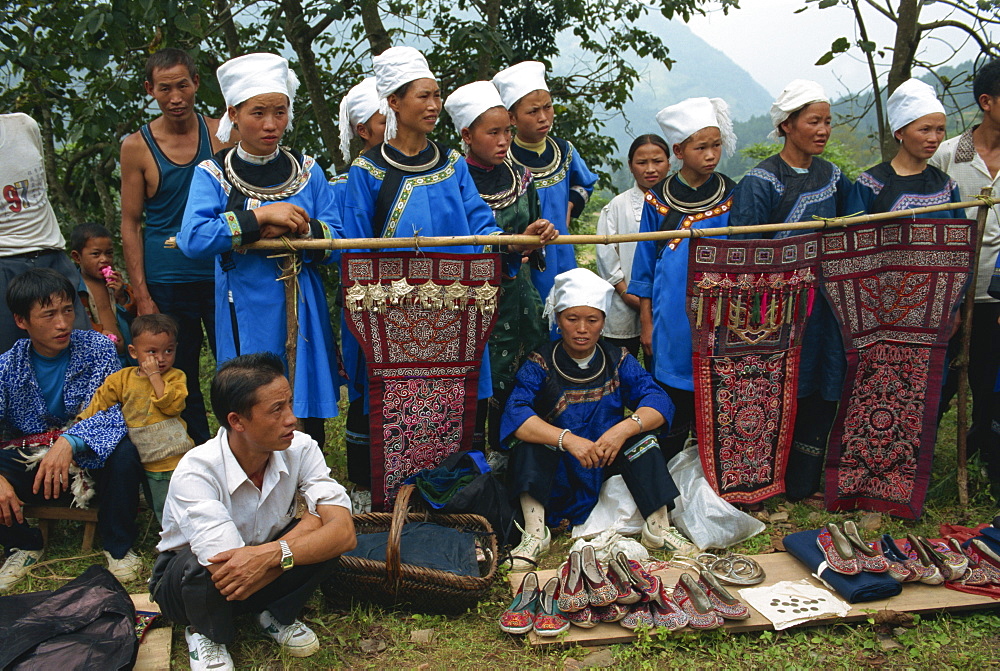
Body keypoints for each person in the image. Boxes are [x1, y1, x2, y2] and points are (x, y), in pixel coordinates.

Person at [340, 47, 556, 507]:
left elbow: (479, 225)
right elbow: (355, 248)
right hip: (391, 312)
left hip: (453, 310)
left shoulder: (451, 165)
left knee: (455, 396)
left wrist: (514, 241)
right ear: (394, 103)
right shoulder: (368, 170)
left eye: (437, 95)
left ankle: (454, 496)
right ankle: (382, 504)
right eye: (423, 96)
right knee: (387, 400)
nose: (433, 104)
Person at [150, 353, 355, 670]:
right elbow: (228, 571)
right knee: (199, 564)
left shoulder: (300, 447)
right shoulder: (197, 471)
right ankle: (204, 631)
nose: (291, 419)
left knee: (325, 535)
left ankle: (272, 612)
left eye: (288, 403)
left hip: (257, 561)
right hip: (194, 584)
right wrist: (306, 533)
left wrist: (275, 553)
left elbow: (343, 532)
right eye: (276, 410)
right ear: (237, 421)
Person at [177, 53, 341, 449]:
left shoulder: (307, 170)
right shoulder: (213, 173)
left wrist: (299, 229)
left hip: (302, 305)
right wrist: (259, 219)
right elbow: (193, 238)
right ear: (233, 113)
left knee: (302, 402)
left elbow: (336, 240)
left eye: (280, 112)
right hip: (244, 307)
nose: (271, 124)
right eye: (258, 113)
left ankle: (307, 482)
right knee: (252, 398)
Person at [500, 269, 683, 568]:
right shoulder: (540, 363)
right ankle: (535, 533)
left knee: (644, 438)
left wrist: (623, 429)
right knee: (528, 444)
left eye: (592, 320)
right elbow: (516, 414)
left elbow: (658, 401)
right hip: (559, 472)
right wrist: (566, 440)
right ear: (558, 320)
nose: (582, 329)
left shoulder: (618, 359)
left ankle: (659, 527)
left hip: (603, 461)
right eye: (572, 319)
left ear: (603, 323)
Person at [729, 80, 852, 503]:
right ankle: (767, 480)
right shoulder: (761, 181)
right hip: (778, 308)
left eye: (828, 122)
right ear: (787, 125)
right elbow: (745, 251)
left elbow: (855, 230)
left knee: (821, 385)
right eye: (814, 121)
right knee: (777, 387)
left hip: (827, 307)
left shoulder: (834, 177)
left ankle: (804, 480)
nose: (823, 130)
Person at [0, 268, 144, 590]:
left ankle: (117, 545)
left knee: (125, 451)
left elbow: (113, 410)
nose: (63, 323)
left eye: (67, 310)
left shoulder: (98, 348)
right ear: (21, 321)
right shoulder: (7, 366)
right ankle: (23, 543)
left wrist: (68, 442)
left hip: (90, 459)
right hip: (35, 464)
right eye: (48, 315)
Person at [120, 48, 232, 445]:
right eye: (165, 88)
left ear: (197, 84)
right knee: (176, 372)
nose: (176, 97)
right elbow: (131, 222)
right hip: (166, 278)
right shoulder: (137, 146)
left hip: (221, 273)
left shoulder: (221, 135)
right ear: (150, 90)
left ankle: (238, 451)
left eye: (183, 85)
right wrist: (142, 292)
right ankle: (195, 456)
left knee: (234, 367)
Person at [444, 80, 554, 455]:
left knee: (525, 375)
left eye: (507, 130)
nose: (504, 140)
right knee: (478, 378)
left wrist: (538, 233)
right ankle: (473, 463)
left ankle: (517, 457)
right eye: (493, 133)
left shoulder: (522, 177)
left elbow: (534, 230)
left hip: (520, 295)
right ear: (467, 134)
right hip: (473, 299)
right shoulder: (450, 180)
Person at [630, 99, 738, 458]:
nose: (711, 155)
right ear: (678, 150)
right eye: (701, 147)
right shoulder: (657, 200)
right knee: (671, 388)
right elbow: (644, 266)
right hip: (670, 315)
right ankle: (670, 464)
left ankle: (711, 464)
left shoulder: (733, 195)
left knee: (714, 385)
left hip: (720, 313)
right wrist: (646, 322)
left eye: (716, 145)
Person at [931, 60, 1000, 496]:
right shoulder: (947, 154)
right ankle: (910, 473)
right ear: (987, 102)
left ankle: (988, 469)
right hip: (947, 297)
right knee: (936, 391)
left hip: (997, 298)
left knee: (991, 388)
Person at [493, 61, 600, 304]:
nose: (543, 117)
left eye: (548, 107)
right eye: (532, 112)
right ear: (512, 117)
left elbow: (584, 185)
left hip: (561, 249)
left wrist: (570, 206)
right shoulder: (503, 158)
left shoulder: (564, 151)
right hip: (522, 256)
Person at [77, 314, 193, 524]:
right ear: (133, 352)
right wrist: (81, 422)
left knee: (173, 503)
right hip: (142, 456)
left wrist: (155, 377)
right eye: (152, 352)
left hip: (172, 459)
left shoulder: (176, 377)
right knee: (154, 500)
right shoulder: (122, 379)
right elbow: (100, 402)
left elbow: (172, 405)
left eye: (169, 350)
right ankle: (169, 535)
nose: (161, 358)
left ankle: (178, 540)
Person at [0, 112, 90, 354]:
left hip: (52, 256)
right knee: (8, 362)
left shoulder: (24, 125)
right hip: (4, 264)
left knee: (81, 352)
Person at [596, 135, 671, 359]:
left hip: (665, 303)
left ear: (670, 161)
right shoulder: (617, 206)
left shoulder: (679, 204)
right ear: (630, 165)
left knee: (659, 366)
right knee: (620, 366)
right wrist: (627, 293)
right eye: (641, 163)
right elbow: (605, 253)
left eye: (657, 161)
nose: (650, 169)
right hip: (623, 302)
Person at [847, 79, 962, 217]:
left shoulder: (946, 185)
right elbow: (852, 233)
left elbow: (961, 234)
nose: (934, 138)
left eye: (940, 130)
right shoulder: (871, 184)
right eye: (925, 129)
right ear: (900, 132)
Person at [69, 222, 136, 366]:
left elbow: (134, 315)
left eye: (109, 253)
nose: (104, 259)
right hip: (97, 362)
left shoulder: (117, 285)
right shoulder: (74, 291)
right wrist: (99, 333)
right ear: (77, 257)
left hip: (127, 358)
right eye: (95, 254)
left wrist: (122, 296)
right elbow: (76, 324)